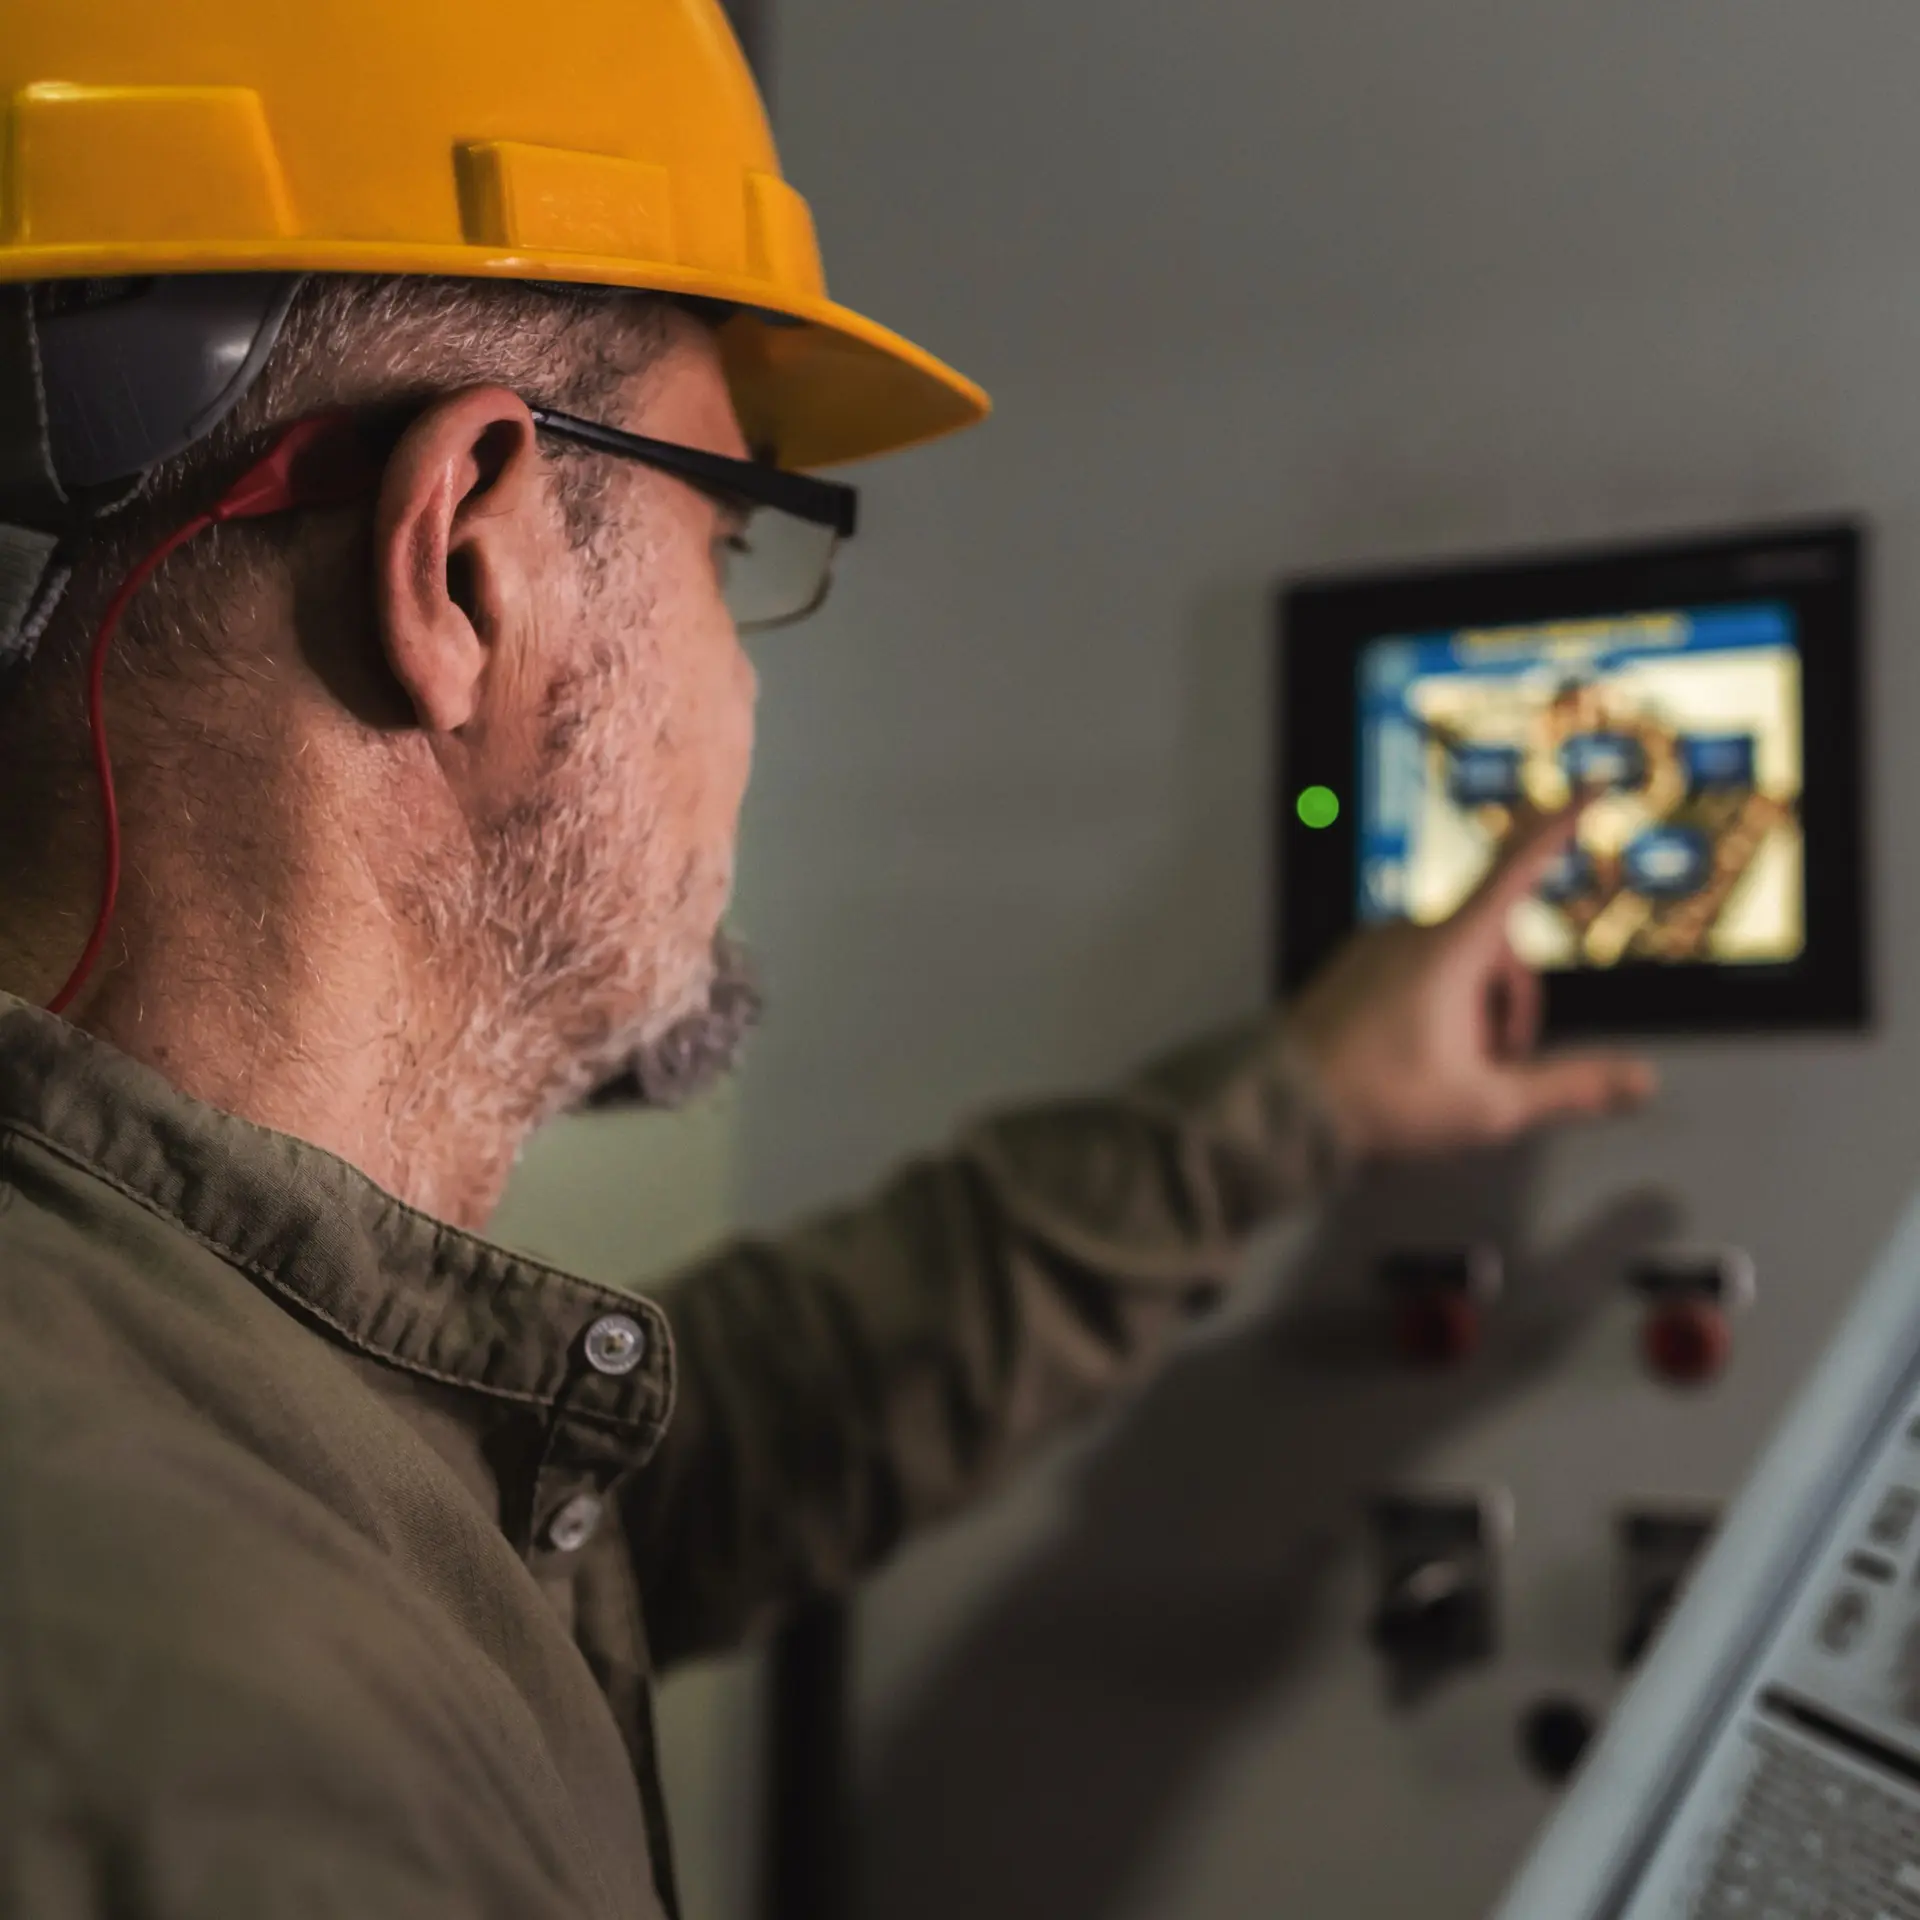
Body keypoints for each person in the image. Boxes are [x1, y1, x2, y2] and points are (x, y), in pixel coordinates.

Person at [0, 4, 1655, 1913]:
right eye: (729, 547)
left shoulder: (247, 1420)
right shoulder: (218, 1766)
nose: (747, 689)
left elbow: (711, 1457)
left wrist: (1296, 1104)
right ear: (470, 563)